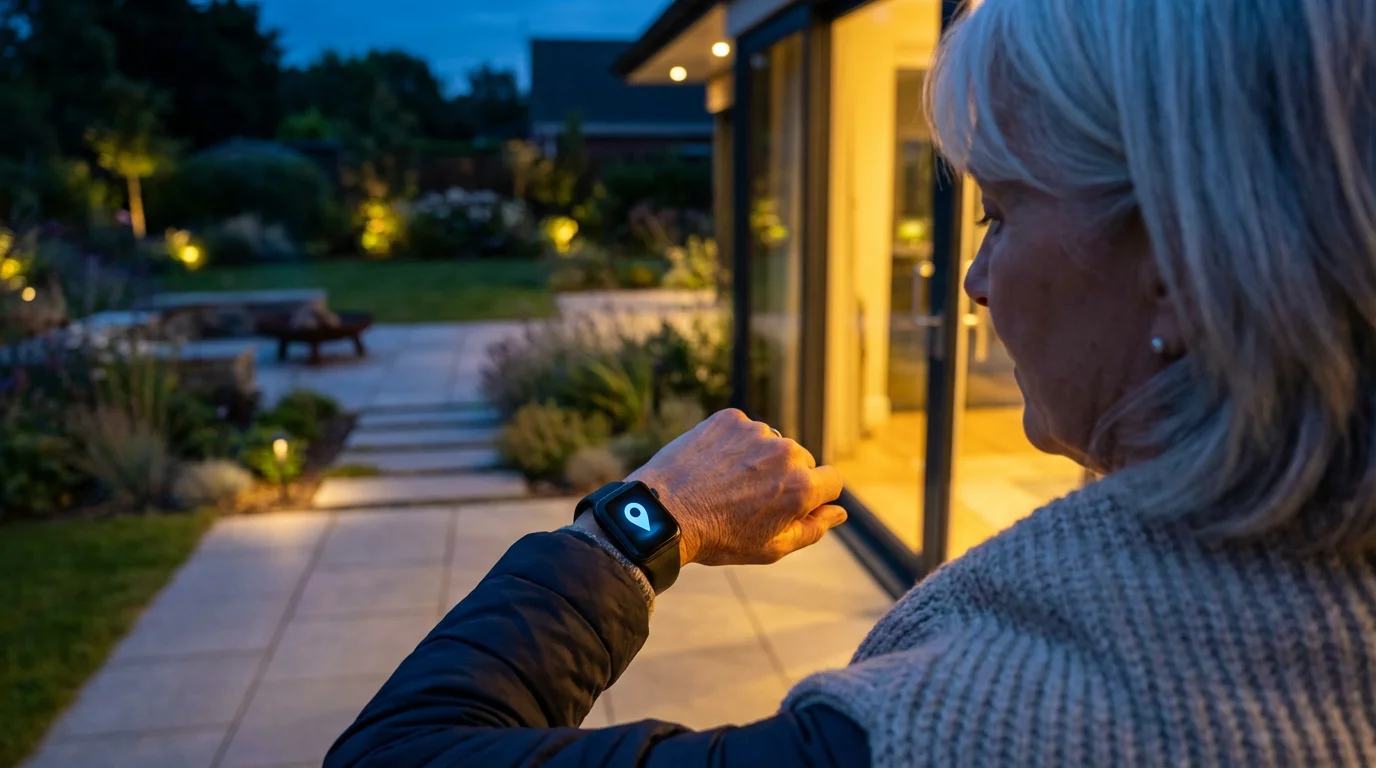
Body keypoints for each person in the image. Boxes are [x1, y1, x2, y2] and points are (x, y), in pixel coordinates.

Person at [327, 0, 1376, 764]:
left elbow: (399, 753)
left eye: (1000, 213)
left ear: (1178, 261)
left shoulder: (986, 728)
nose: (972, 280)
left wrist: (639, 521)